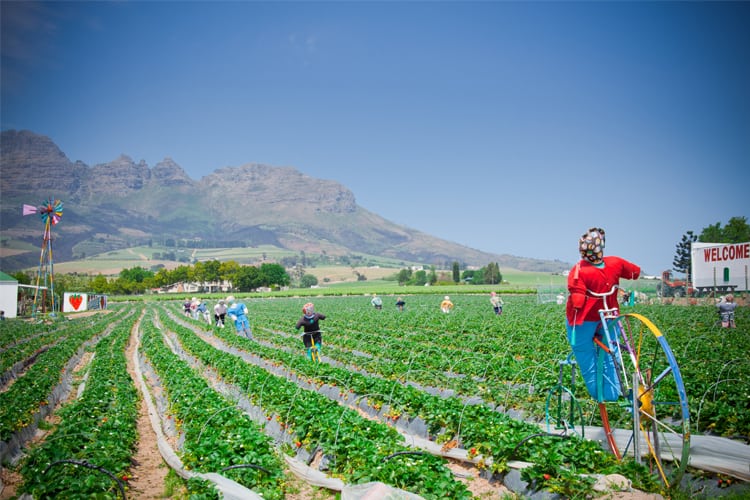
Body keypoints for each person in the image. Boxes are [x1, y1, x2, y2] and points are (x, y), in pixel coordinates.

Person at [566, 227, 640, 402]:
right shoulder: (615, 262)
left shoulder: (580, 270)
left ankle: (599, 393)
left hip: (585, 319)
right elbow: (635, 272)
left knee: (584, 352)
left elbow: (577, 300)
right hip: (610, 316)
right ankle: (613, 393)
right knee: (609, 354)